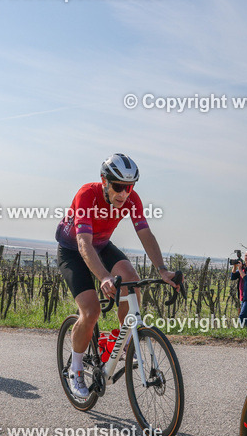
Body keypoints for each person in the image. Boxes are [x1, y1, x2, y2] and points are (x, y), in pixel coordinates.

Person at [56, 154, 178, 398]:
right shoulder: (86, 195)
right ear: (104, 180)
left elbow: (146, 234)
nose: (124, 193)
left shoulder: (132, 200)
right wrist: (103, 277)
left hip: (101, 245)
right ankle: (76, 369)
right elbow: (83, 243)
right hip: (73, 251)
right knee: (91, 311)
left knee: (132, 280)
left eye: (130, 187)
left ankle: (119, 342)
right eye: (118, 187)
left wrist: (162, 269)